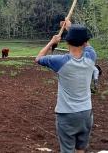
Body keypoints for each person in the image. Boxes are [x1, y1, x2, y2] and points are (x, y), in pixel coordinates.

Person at [35, 20, 96, 153]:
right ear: (85, 42)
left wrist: (52, 41)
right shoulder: (91, 57)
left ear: (67, 42)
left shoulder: (59, 61)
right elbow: (88, 46)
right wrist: (71, 27)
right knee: (81, 148)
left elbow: (38, 58)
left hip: (67, 115)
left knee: (67, 150)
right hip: (86, 112)